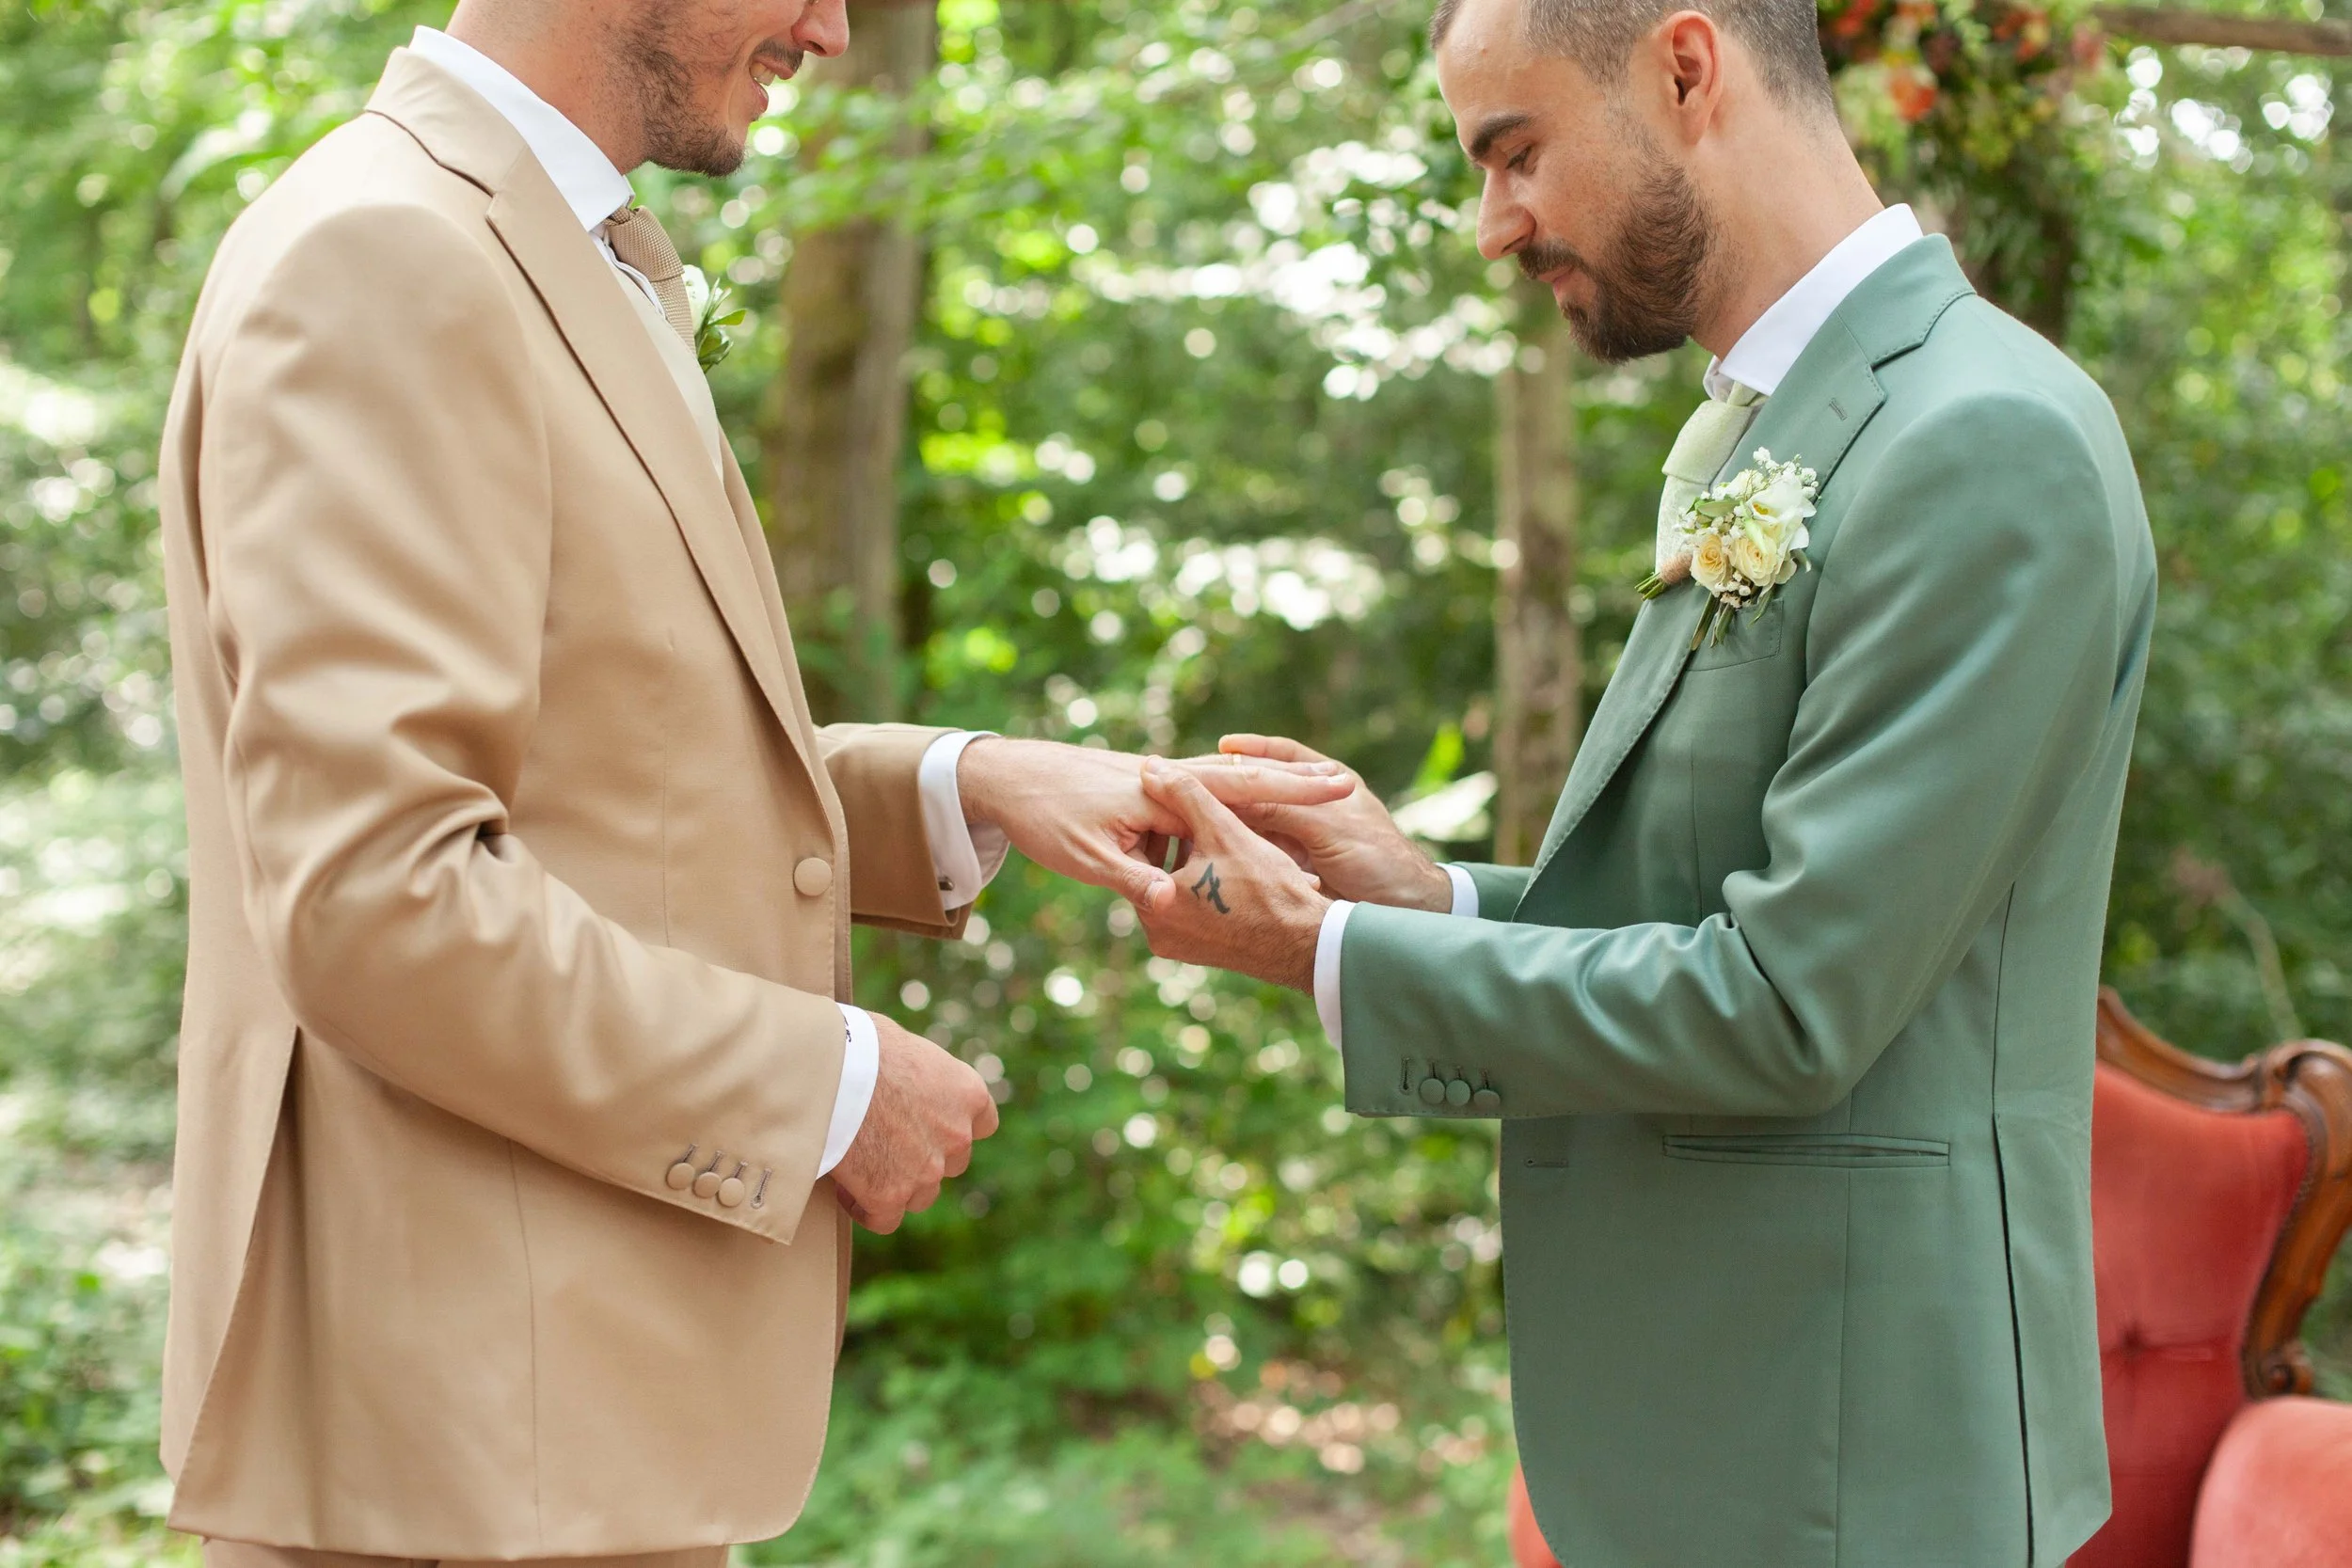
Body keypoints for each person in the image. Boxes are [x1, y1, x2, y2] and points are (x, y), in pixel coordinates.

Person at [152, 1, 1342, 1560]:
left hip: (554, 1441)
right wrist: (826, 1088)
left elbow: (612, 774)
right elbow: (382, 894)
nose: (832, 29)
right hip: (457, 1457)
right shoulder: (388, 258)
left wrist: (973, 783)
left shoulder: (529, 248)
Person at [1131, 0, 2156, 1562]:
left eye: (1516, 151)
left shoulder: (1980, 439)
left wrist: (1327, 954)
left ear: (1686, 69)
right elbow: (1706, 900)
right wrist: (1425, 893)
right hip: (1709, 1437)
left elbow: (1790, 1003)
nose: (1494, 228)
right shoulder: (1779, 424)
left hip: (1843, 1470)